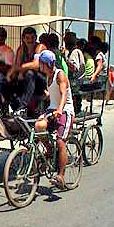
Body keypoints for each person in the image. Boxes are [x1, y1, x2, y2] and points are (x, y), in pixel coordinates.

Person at [34, 50, 75, 189]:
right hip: (52, 109)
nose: (39, 65)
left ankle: (61, 176)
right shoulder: (47, 76)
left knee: (60, 141)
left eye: (40, 63)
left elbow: (63, 94)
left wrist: (59, 109)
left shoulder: (60, 74)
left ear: (46, 64)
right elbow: (52, 94)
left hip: (65, 110)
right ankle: (50, 151)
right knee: (38, 127)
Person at [64, 32, 85, 114]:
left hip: (76, 82)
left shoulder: (74, 52)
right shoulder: (75, 51)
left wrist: (65, 60)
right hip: (77, 81)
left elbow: (74, 68)